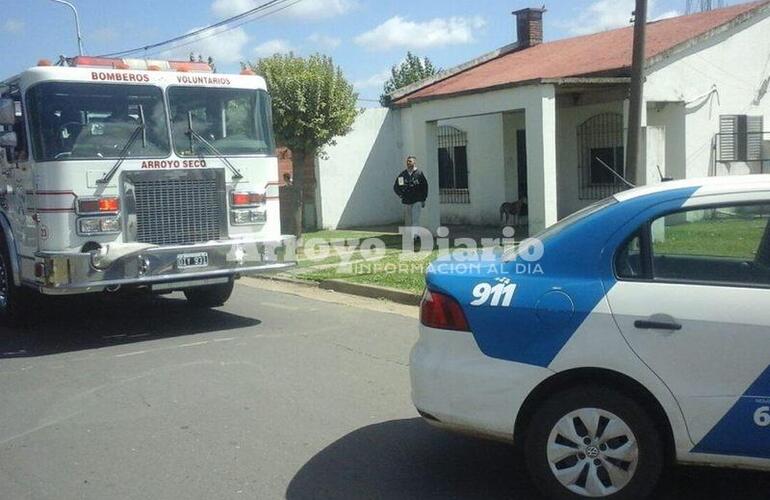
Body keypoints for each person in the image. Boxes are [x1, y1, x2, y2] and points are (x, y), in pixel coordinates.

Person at [393, 156, 428, 241]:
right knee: (408, 220)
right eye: (408, 161)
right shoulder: (403, 175)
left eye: (410, 161)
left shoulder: (419, 174)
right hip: (407, 201)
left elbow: (425, 187)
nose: (409, 163)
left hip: (417, 200)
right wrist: (401, 195)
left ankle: (415, 236)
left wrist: (423, 199)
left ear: (414, 163)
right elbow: (396, 187)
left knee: (415, 219)